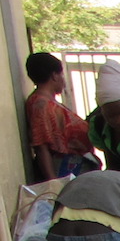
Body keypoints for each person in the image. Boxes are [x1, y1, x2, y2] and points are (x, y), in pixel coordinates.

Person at [25, 52, 94, 181]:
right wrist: (53, 181)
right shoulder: (41, 104)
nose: (63, 80)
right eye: (62, 74)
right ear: (54, 76)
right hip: (63, 170)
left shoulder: (48, 102)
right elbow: (41, 146)